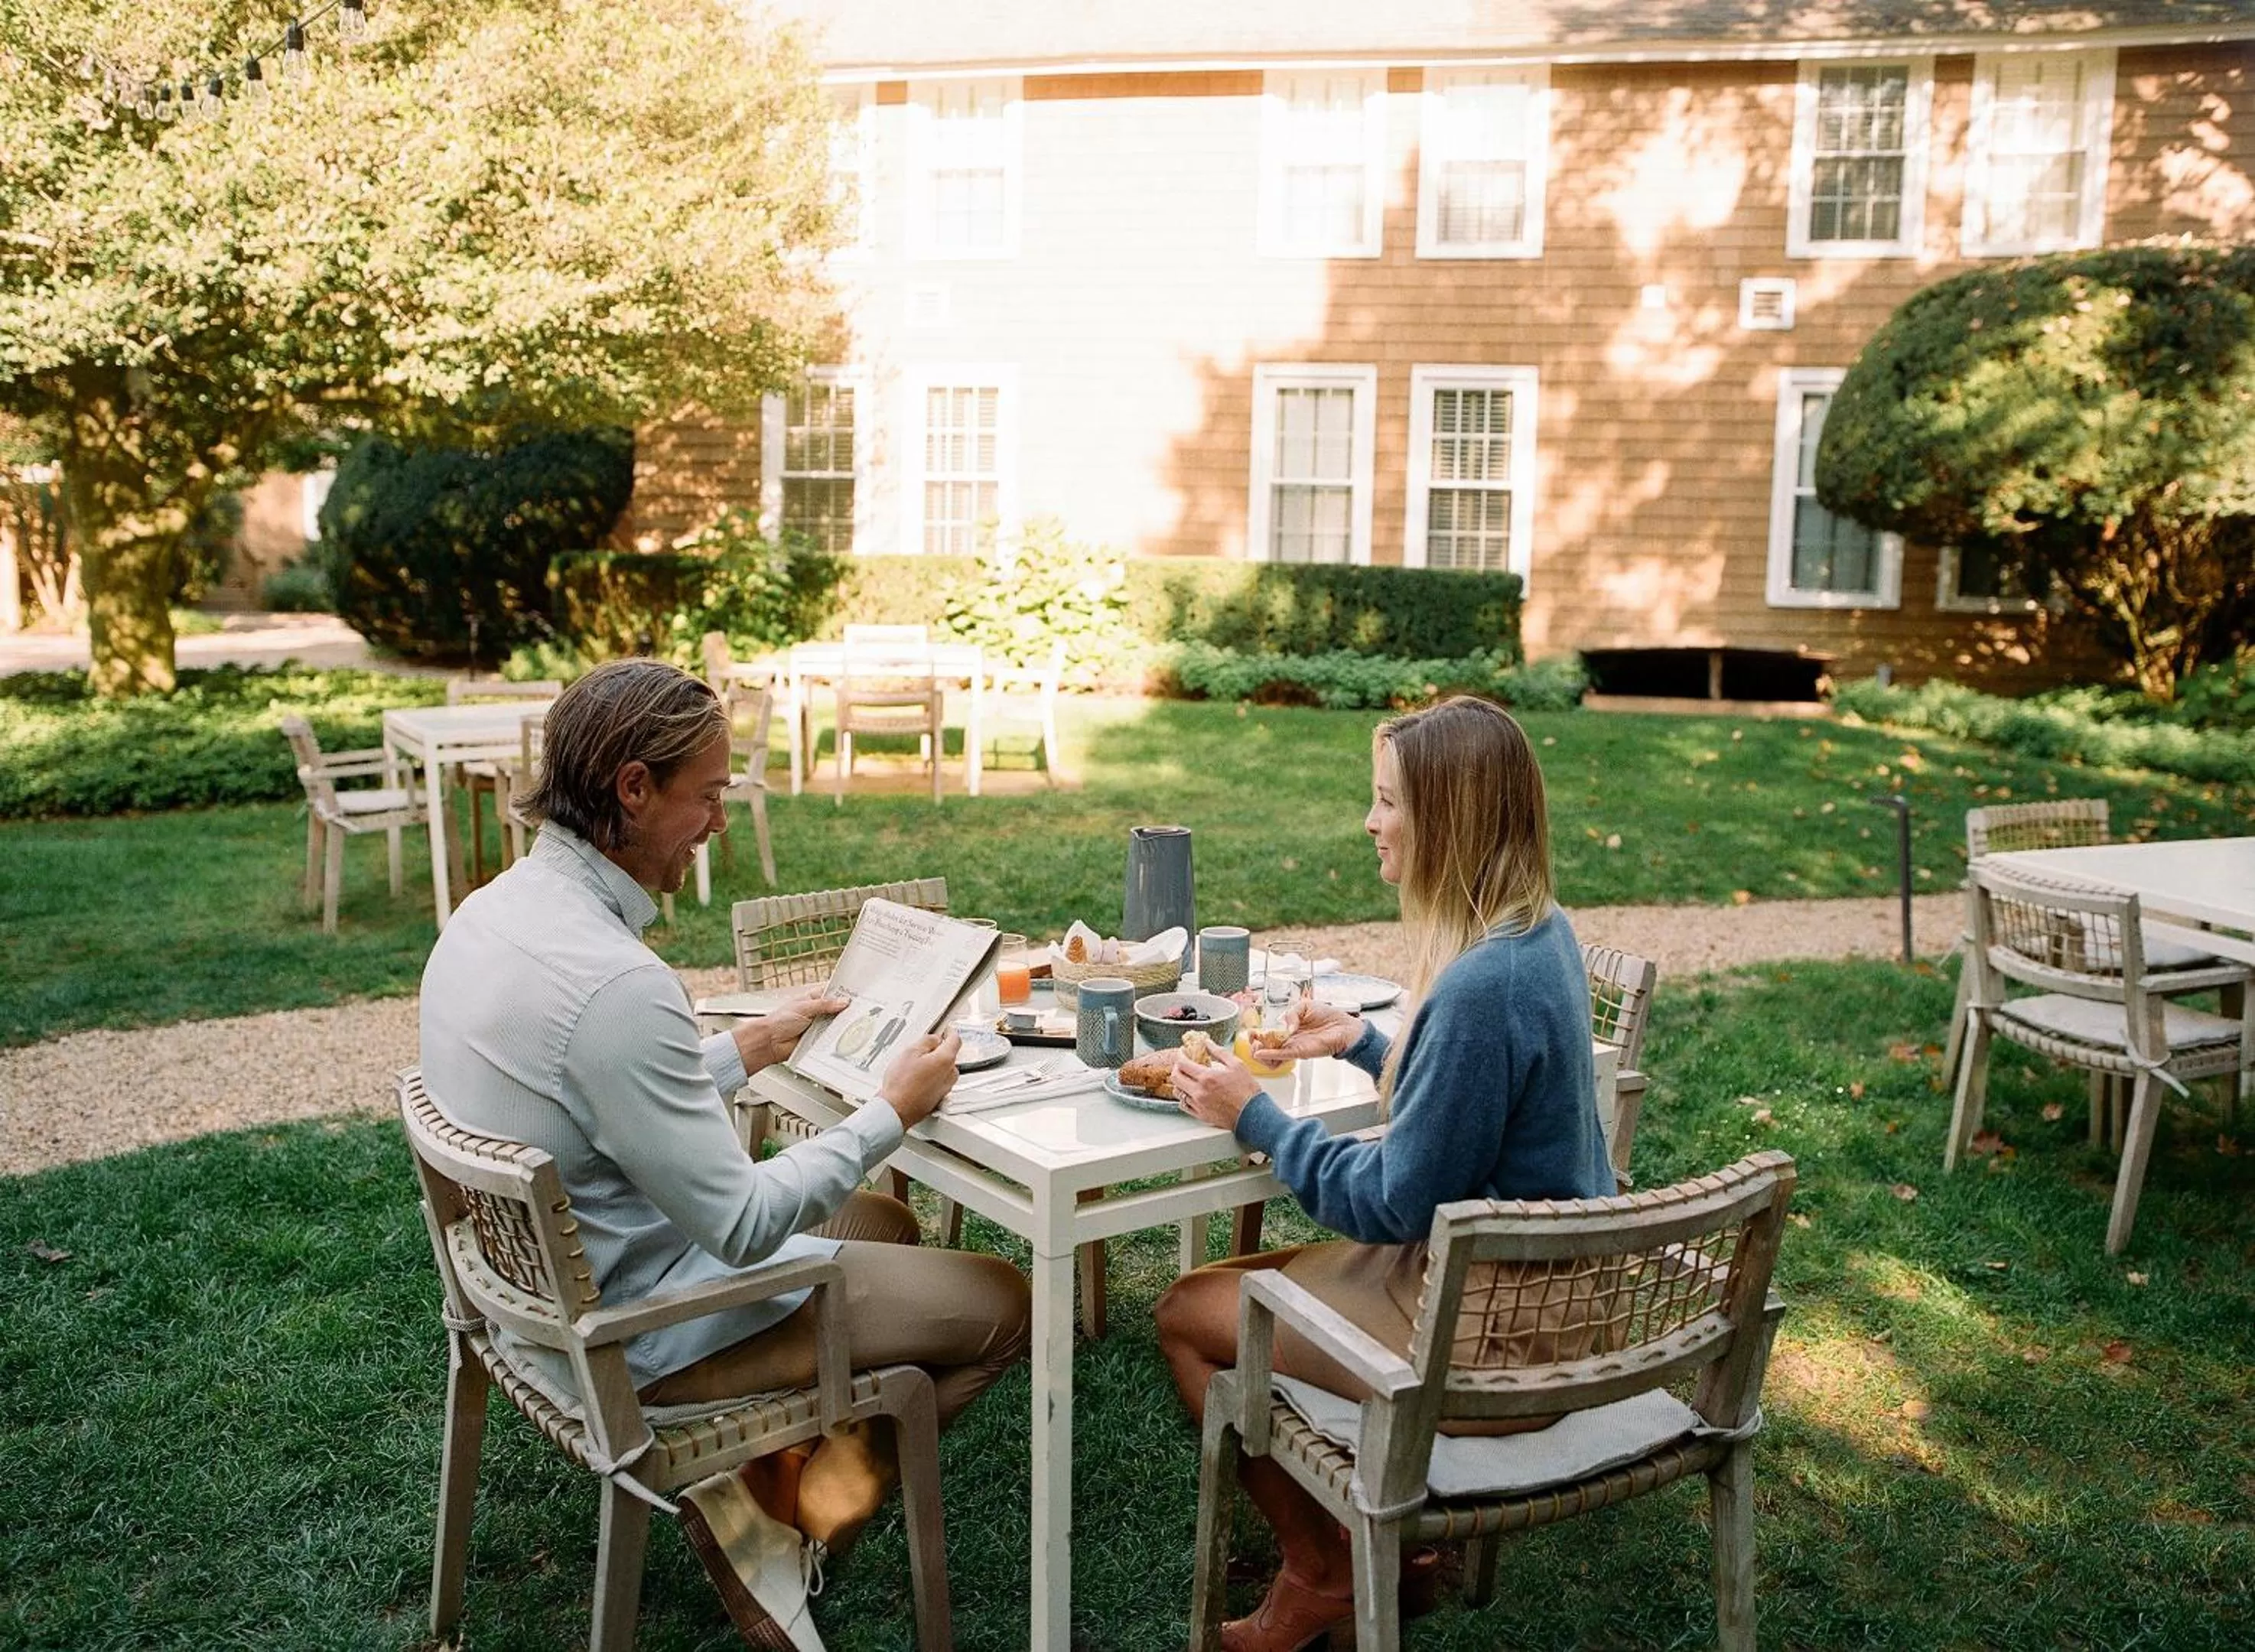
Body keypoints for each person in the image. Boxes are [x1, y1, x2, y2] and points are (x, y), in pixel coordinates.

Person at [419, 659, 1030, 1652]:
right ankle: (778, 1518)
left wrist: (743, 1048)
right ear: (632, 787)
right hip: (635, 1331)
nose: (715, 822)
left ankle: (765, 1482)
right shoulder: (618, 984)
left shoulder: (492, 915)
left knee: (886, 1223)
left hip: (538, 1296)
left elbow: (586, 1091)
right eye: (705, 796)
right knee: (1003, 1304)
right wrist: (889, 1112)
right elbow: (741, 1226)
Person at [1154, 695, 1614, 1652]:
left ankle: (1320, 1569)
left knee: (1187, 1314)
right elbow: (1474, 1109)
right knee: (1234, 1285)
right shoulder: (1536, 933)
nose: (1370, 821)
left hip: (1488, 1336)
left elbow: (1390, 1201)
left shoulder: (1479, 986)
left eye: (1389, 802)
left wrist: (1253, 1117)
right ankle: (1390, 1554)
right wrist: (1366, 1042)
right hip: (1555, 1293)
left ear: (1451, 817)